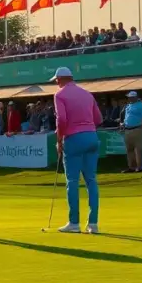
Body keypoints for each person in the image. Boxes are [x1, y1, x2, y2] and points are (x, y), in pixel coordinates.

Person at [52, 68, 102, 234]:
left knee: (72, 181)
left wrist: (59, 140)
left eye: (56, 80)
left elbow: (62, 119)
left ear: (60, 79)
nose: (56, 83)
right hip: (92, 137)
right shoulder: (87, 94)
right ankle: (93, 224)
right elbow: (99, 119)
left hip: (74, 139)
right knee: (91, 180)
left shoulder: (59, 95)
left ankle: (74, 223)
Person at [121, 91, 142, 173]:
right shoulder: (128, 106)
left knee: (138, 149)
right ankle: (131, 167)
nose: (129, 98)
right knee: (129, 149)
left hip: (138, 129)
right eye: (129, 97)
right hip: (127, 129)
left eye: (131, 97)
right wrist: (123, 123)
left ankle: (139, 167)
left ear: (135, 97)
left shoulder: (141, 106)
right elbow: (127, 117)